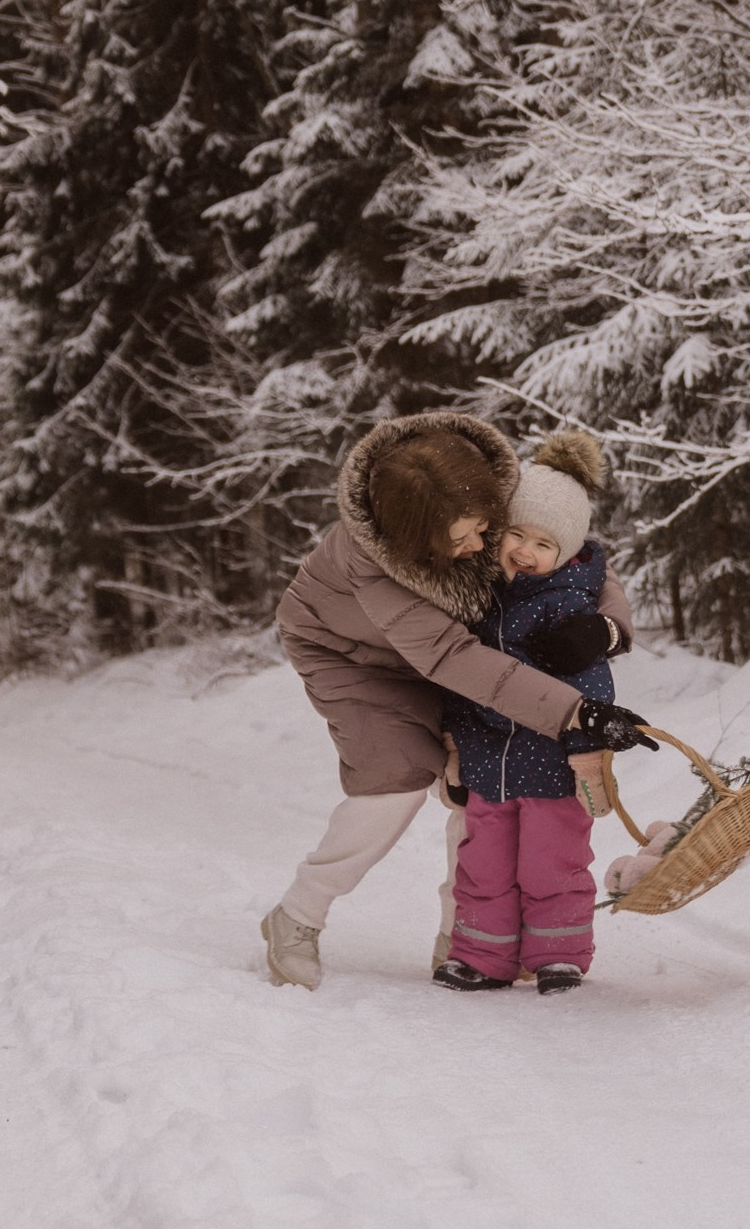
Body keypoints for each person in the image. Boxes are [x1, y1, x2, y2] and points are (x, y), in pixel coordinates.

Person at [260, 413, 632, 990]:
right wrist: (573, 712)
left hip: (459, 651)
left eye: (487, 528)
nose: (483, 547)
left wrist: (606, 628)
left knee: (480, 781)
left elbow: (578, 557)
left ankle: (466, 938)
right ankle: (298, 916)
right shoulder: (374, 566)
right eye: (462, 542)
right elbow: (458, 662)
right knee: (399, 777)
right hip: (356, 655)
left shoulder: (472, 486)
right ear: (417, 543)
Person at [432, 432, 655, 994]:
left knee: (552, 865)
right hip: (488, 763)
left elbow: (589, 684)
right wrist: (456, 752)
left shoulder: (569, 609)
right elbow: (461, 683)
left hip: (554, 767)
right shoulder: (477, 602)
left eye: (543, 544)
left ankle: (559, 955)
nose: (526, 552)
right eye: (517, 534)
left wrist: (585, 751)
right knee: (482, 867)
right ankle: (484, 957)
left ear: (567, 553)